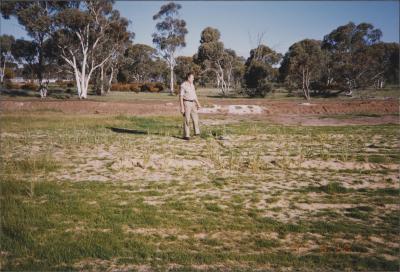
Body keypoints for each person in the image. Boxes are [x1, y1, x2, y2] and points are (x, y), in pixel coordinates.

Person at [179, 72, 201, 140]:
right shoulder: (183, 85)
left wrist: (198, 103)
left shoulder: (192, 85)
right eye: (192, 78)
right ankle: (187, 135)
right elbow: (181, 96)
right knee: (187, 119)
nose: (193, 79)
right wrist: (182, 107)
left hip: (193, 103)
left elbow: (194, 95)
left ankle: (197, 133)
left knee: (195, 118)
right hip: (186, 103)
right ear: (188, 78)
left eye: (193, 78)